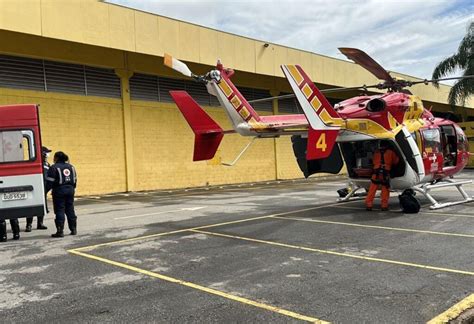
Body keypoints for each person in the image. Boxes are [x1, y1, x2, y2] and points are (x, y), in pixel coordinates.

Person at [45, 151, 77, 238]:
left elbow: (50, 182)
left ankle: (60, 231)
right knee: (70, 209)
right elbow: (74, 180)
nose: (53, 159)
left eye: (54, 157)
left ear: (57, 158)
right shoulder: (71, 167)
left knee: (60, 210)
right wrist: (72, 189)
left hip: (59, 191)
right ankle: (73, 229)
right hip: (70, 190)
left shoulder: (54, 167)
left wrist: (45, 191)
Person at [365, 140, 400, 211]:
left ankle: (369, 205)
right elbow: (396, 161)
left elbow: (373, 161)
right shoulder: (391, 152)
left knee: (372, 190)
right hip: (385, 173)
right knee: (385, 190)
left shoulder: (376, 152)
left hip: (376, 173)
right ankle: (384, 206)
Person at [25, 146, 51, 232]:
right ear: (42, 153)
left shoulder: (47, 164)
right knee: (31, 207)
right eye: (46, 153)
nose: (47, 155)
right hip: (34, 188)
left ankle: (40, 223)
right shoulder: (33, 162)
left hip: (44, 188)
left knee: (42, 206)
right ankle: (29, 225)